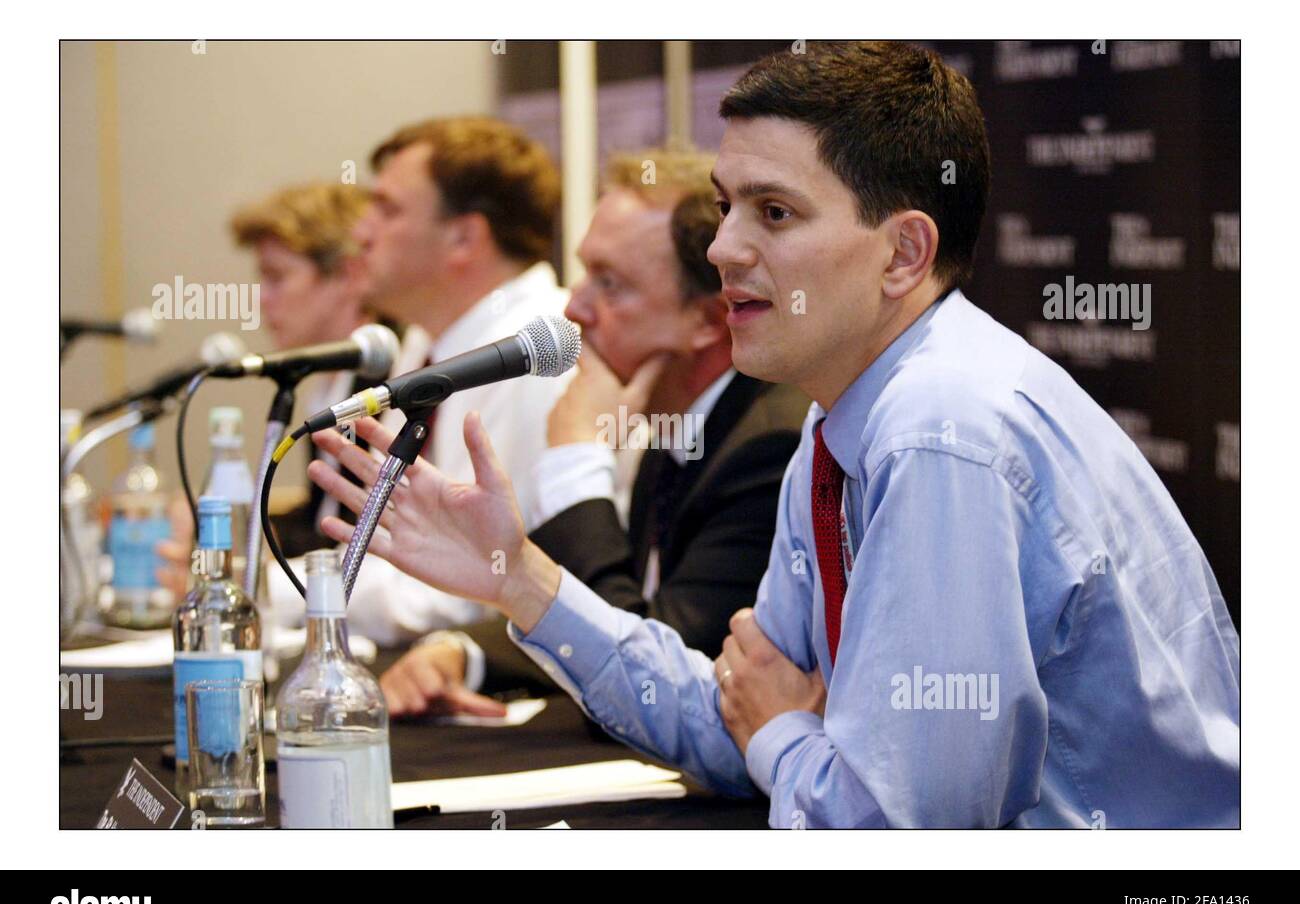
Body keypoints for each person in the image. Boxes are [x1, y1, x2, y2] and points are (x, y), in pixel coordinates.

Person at [308, 42, 1240, 827]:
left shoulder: (938, 429)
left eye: (775, 212)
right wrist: (524, 581)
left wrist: (783, 734)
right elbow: (730, 717)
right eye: (726, 206)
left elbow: (895, 826)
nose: (720, 249)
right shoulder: (844, 421)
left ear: (904, 252)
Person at [377, 150, 808, 717]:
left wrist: (576, 456)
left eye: (610, 283)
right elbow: (614, 620)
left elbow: (649, 679)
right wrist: (464, 652)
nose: (574, 307)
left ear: (707, 320)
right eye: (583, 272)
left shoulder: (768, 448)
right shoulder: (676, 420)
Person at [265, 117, 572, 652]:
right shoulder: (430, 342)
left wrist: (266, 590)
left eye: (387, 209)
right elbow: (402, 548)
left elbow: (472, 583)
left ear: (463, 237)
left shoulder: (537, 352)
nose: (361, 233)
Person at [155, 182, 382, 598]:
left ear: (348, 274)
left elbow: (363, 550)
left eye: (277, 278)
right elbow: (322, 522)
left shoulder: (389, 381)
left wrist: (240, 578)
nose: (261, 300)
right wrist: (226, 540)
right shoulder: (328, 383)